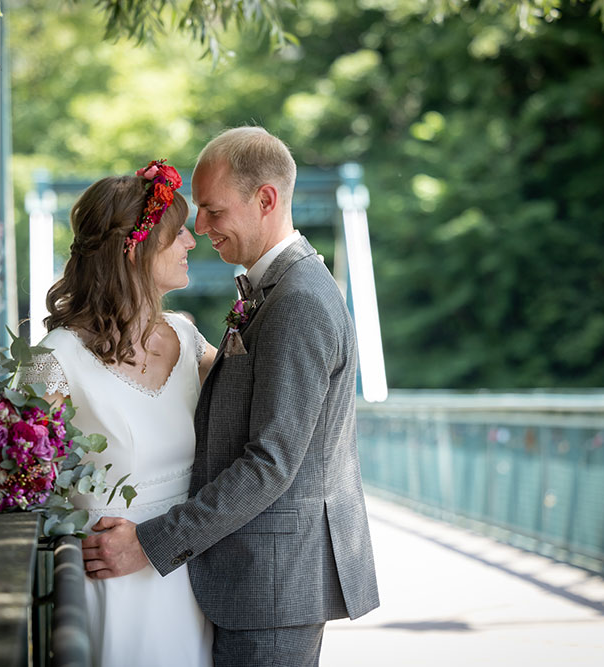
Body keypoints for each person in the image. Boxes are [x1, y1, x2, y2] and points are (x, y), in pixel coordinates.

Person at [81, 126, 380, 666]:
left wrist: (150, 543)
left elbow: (270, 464)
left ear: (265, 199)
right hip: (254, 575)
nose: (198, 227)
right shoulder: (277, 290)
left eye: (213, 211)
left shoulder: (299, 301)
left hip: (272, 580)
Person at [18, 160, 216, 667]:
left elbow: (262, 404)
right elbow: (20, 477)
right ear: (135, 249)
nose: (192, 242)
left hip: (191, 577)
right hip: (109, 584)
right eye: (177, 234)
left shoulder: (189, 339)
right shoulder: (52, 359)